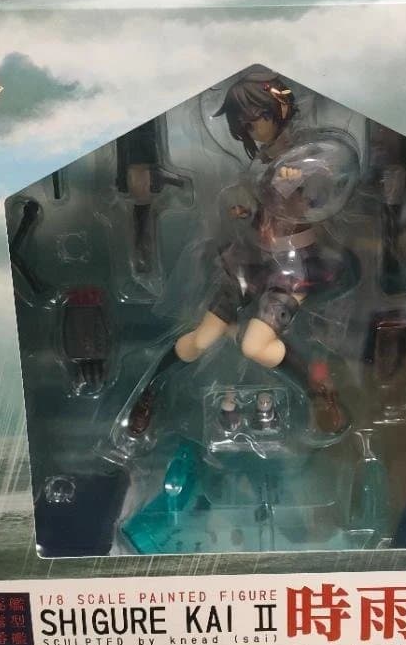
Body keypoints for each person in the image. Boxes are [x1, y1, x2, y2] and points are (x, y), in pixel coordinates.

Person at [124, 68, 360, 439]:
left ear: (278, 110)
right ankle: (150, 391)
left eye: (257, 119)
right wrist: (245, 209)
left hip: (293, 267)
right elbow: (255, 204)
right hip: (250, 262)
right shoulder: (261, 162)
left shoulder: (310, 154)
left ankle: (321, 395)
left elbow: (329, 183)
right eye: (245, 125)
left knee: (255, 346)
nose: (253, 130)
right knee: (201, 340)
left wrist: (298, 180)